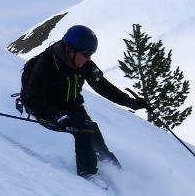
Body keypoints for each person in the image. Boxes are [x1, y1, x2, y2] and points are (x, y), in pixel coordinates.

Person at [19, 24, 146, 177]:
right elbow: (33, 98)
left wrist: (132, 102)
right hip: (46, 109)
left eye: (90, 55)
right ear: (70, 49)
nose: (88, 59)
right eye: (86, 54)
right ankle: (89, 177)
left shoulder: (83, 64)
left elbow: (103, 87)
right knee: (83, 132)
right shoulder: (48, 63)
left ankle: (117, 173)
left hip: (72, 107)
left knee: (93, 130)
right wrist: (56, 117)